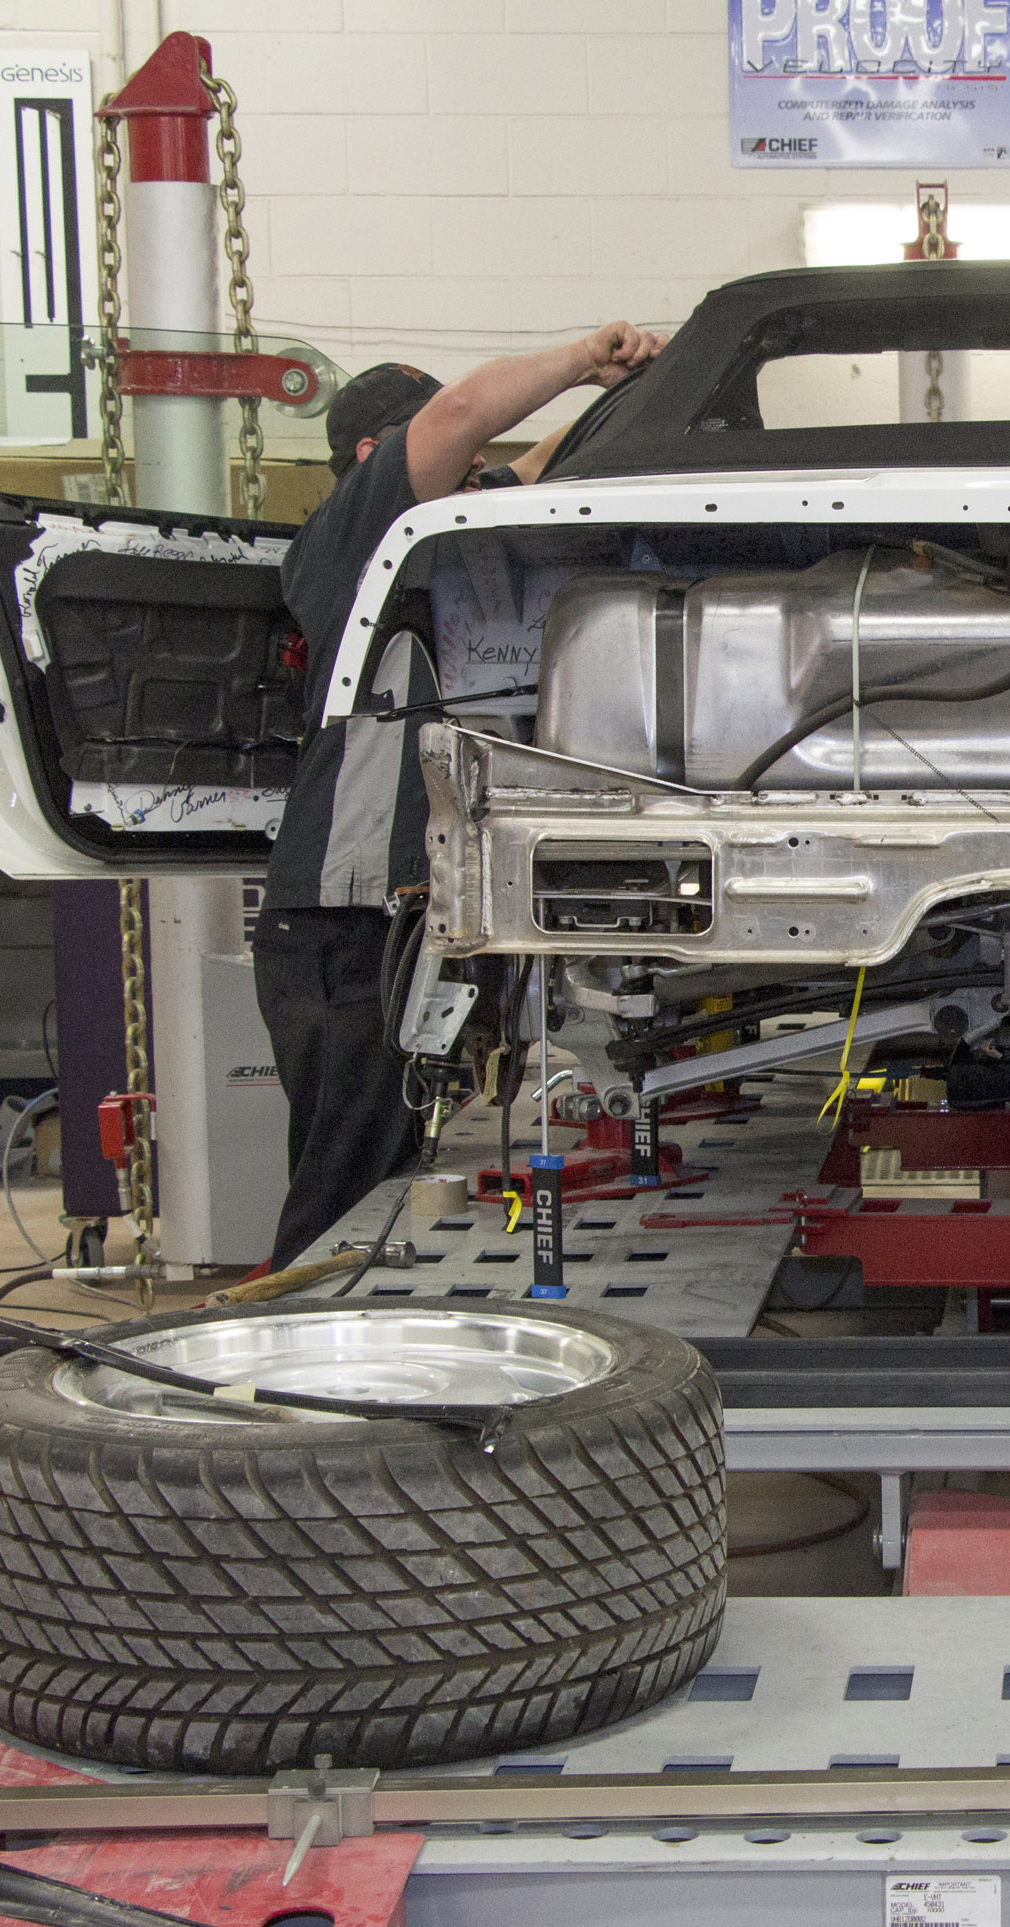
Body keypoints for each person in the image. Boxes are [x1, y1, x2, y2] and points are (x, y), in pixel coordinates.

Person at [255, 324, 664, 1268]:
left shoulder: (453, 539)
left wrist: (636, 388)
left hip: (401, 919)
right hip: (341, 926)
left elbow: (531, 461)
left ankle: (347, 1339)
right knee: (343, 1183)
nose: (475, 467)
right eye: (453, 455)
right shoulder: (355, 537)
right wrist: (578, 358)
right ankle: (302, 1360)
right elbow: (464, 413)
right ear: (371, 461)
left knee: (393, 1164)